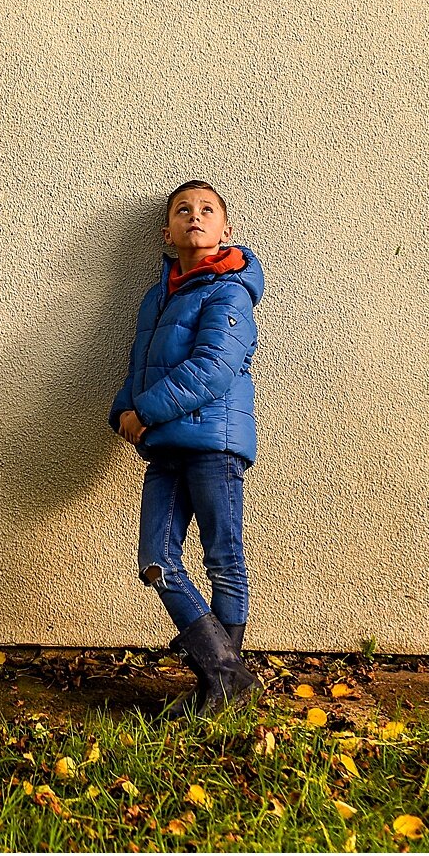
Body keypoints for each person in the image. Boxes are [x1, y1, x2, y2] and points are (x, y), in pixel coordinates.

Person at [109, 180, 264, 719]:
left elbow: (213, 368)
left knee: (223, 559)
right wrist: (121, 412)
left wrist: (145, 410)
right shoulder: (159, 296)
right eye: (183, 210)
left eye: (207, 210)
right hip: (164, 444)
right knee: (156, 562)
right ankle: (229, 678)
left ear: (225, 229)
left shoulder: (229, 291)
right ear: (166, 231)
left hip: (214, 442)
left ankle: (219, 686)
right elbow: (139, 364)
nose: (194, 217)